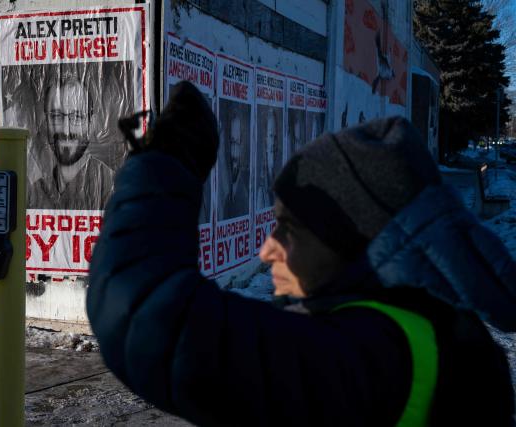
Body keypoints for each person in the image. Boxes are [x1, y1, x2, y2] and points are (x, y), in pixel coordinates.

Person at [87, 82, 515, 426]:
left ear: (355, 239)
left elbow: (149, 320)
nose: (268, 249)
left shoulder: (379, 353)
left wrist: (165, 164)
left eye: (290, 228)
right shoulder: (427, 331)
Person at [28, 73, 114, 210]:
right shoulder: (35, 192)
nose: (66, 131)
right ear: (46, 123)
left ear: (91, 124)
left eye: (77, 117)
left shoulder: (111, 187)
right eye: (56, 116)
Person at [218, 106, 249, 219]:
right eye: (232, 142)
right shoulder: (223, 190)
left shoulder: (244, 196)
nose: (235, 151)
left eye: (238, 142)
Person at [256, 108, 279, 209]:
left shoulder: (280, 167)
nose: (273, 142)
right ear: (264, 139)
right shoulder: (260, 184)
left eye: (275, 137)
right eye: (270, 136)